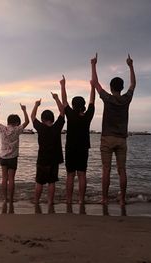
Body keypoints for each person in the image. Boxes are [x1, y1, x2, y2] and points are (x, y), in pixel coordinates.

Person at [90, 53, 136, 206]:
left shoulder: (107, 98)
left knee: (106, 170)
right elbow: (133, 85)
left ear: (111, 87)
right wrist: (131, 66)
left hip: (107, 138)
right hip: (122, 139)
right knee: (122, 170)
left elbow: (95, 83)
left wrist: (93, 65)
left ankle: (104, 199)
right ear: (121, 88)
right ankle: (122, 199)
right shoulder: (126, 99)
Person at [60, 71, 95, 212]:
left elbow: (64, 101)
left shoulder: (70, 115)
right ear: (83, 106)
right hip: (83, 149)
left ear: (73, 106)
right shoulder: (88, 116)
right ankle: (81, 200)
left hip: (70, 149)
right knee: (82, 174)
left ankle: (69, 200)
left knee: (70, 175)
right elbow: (93, 101)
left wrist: (63, 85)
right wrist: (92, 87)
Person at [31, 92, 65, 213]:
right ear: (52, 119)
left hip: (42, 160)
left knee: (39, 182)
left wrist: (36, 105)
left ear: (43, 119)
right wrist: (56, 99)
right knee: (52, 182)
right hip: (54, 160)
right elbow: (62, 112)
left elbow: (32, 117)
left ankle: (36, 201)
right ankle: (50, 202)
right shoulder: (57, 127)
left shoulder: (40, 128)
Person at [0, 100, 29, 213]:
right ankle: (11, 199)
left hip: (3, 157)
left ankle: (5, 199)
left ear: (8, 121)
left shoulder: (3, 129)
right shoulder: (17, 130)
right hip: (13, 158)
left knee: (4, 179)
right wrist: (24, 110)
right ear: (17, 122)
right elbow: (27, 121)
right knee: (11, 179)